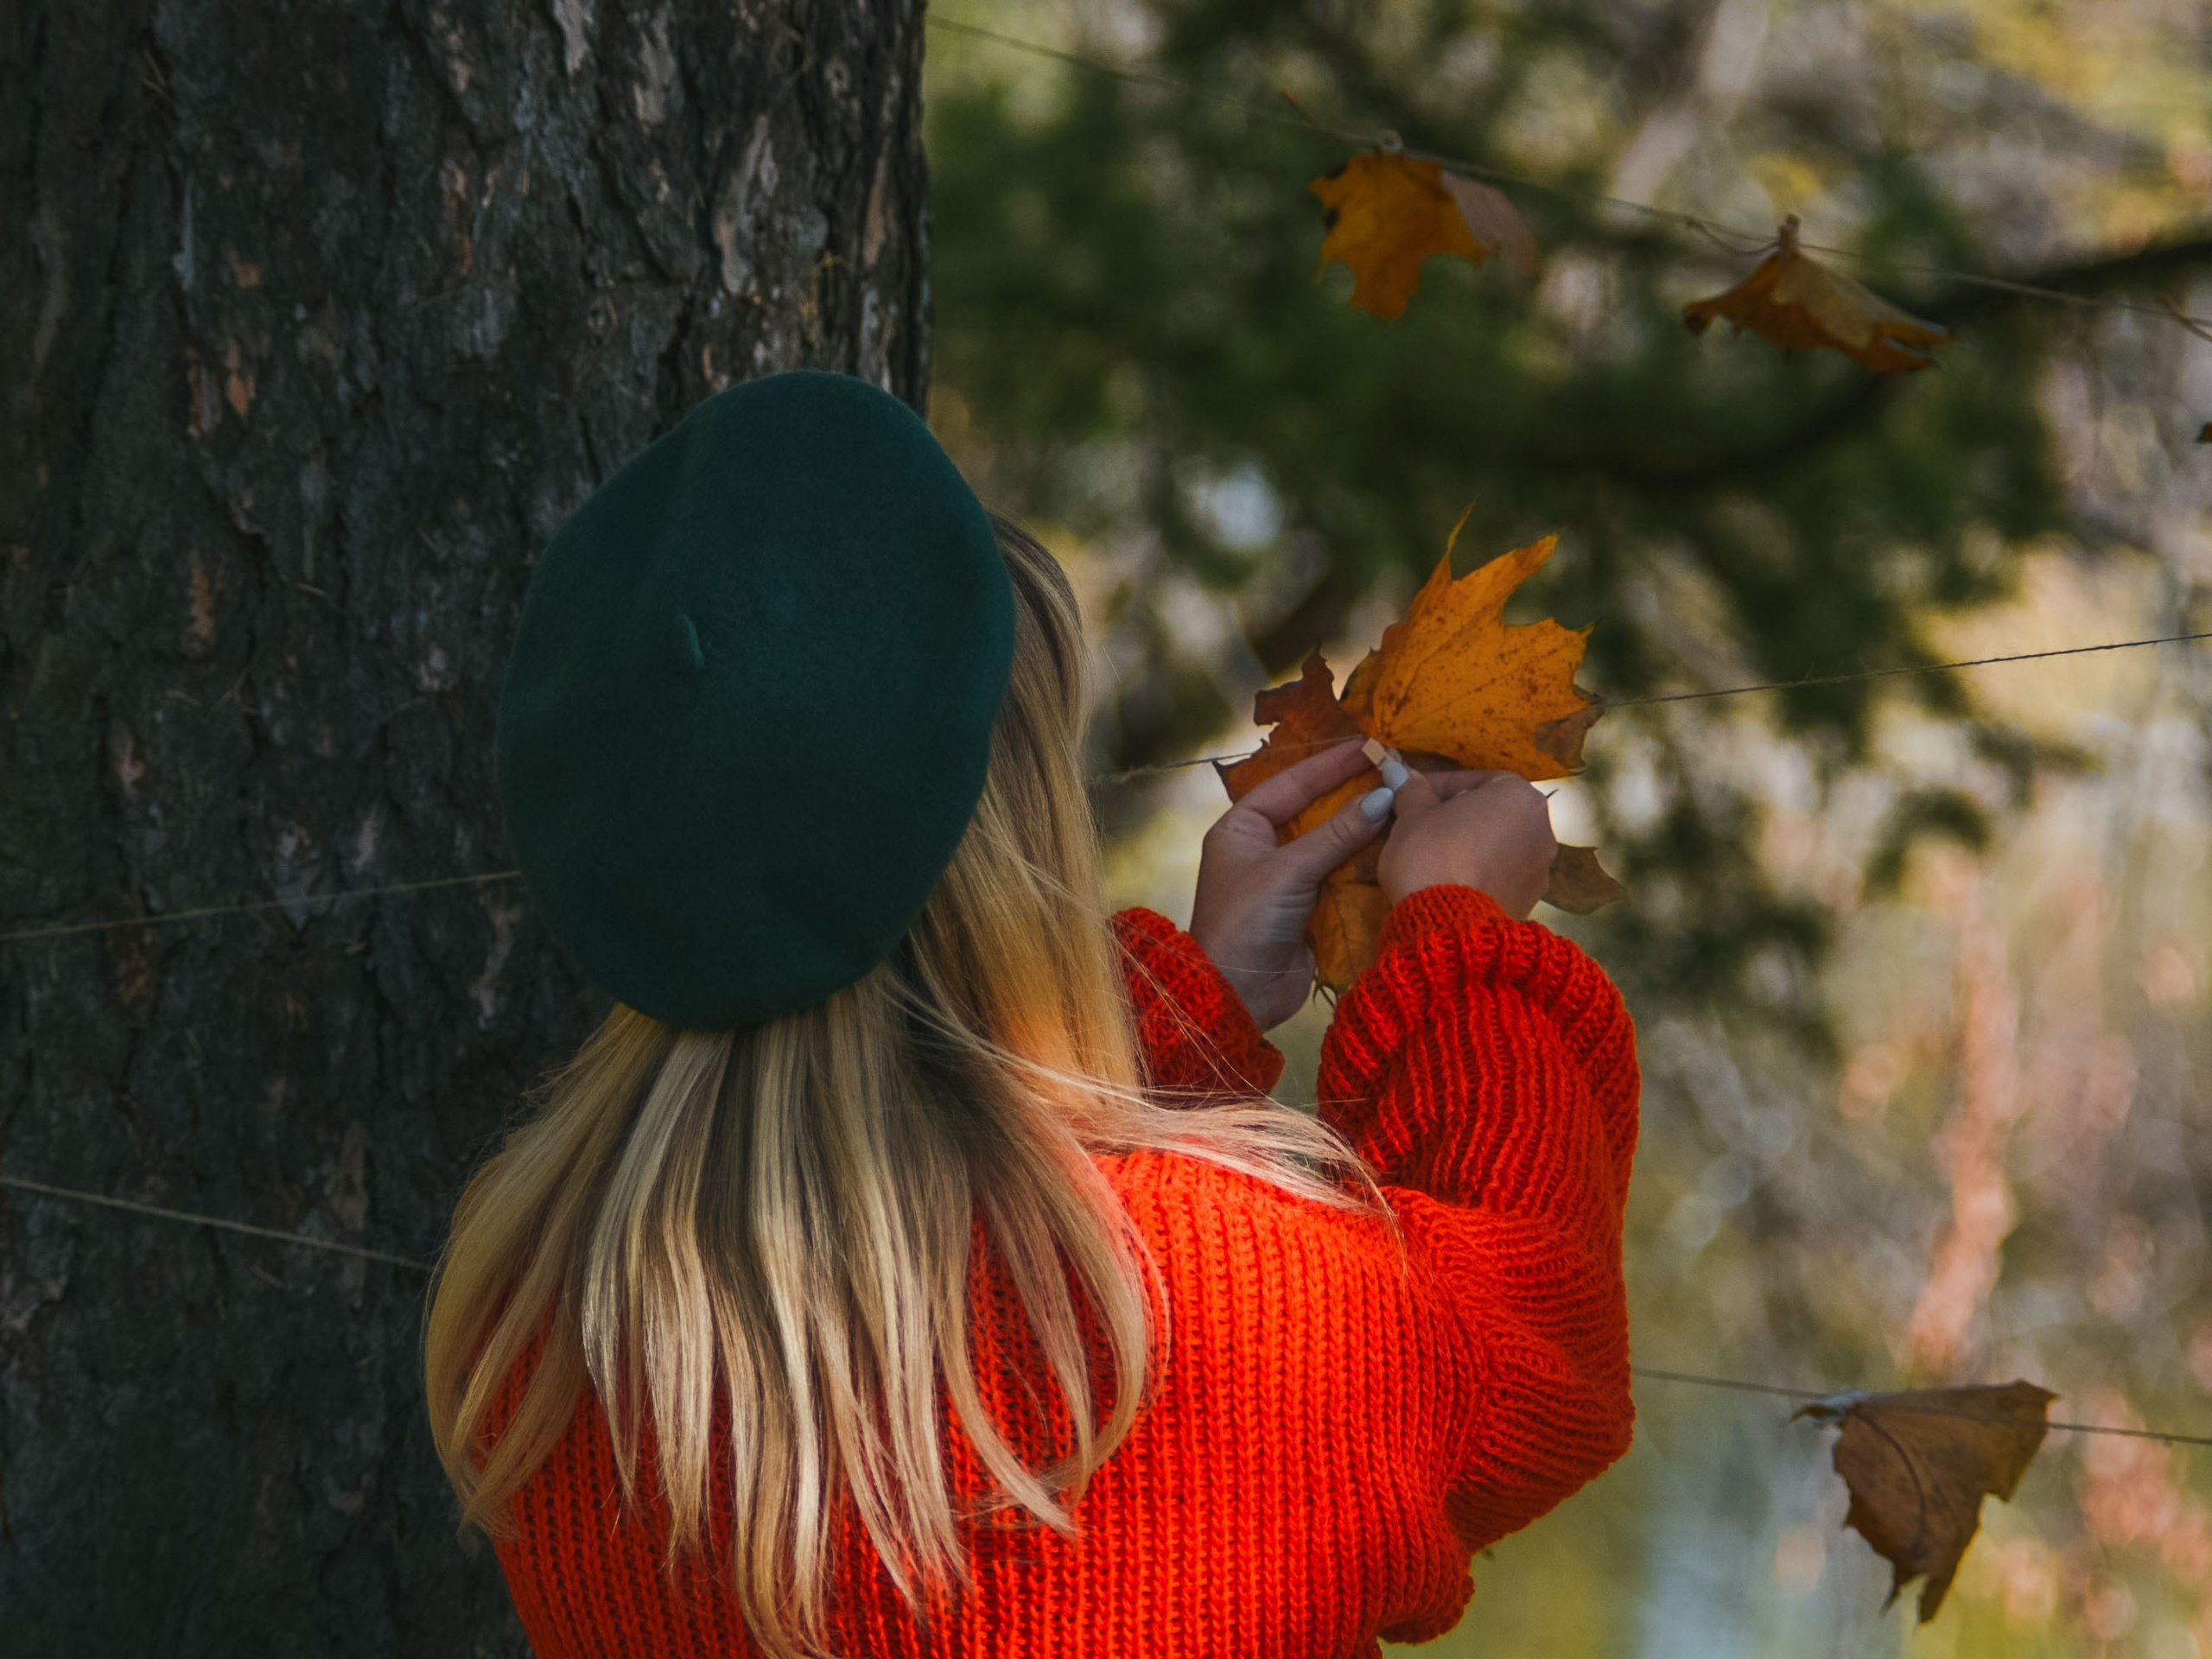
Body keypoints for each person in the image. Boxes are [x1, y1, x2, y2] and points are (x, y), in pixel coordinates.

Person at [423, 370, 1639, 1659]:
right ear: (1003, 843)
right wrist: (1462, 943)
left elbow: (950, 1225)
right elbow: (1531, 1351)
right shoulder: (1207, 1312)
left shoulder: (545, 1336)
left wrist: (1187, 1004)